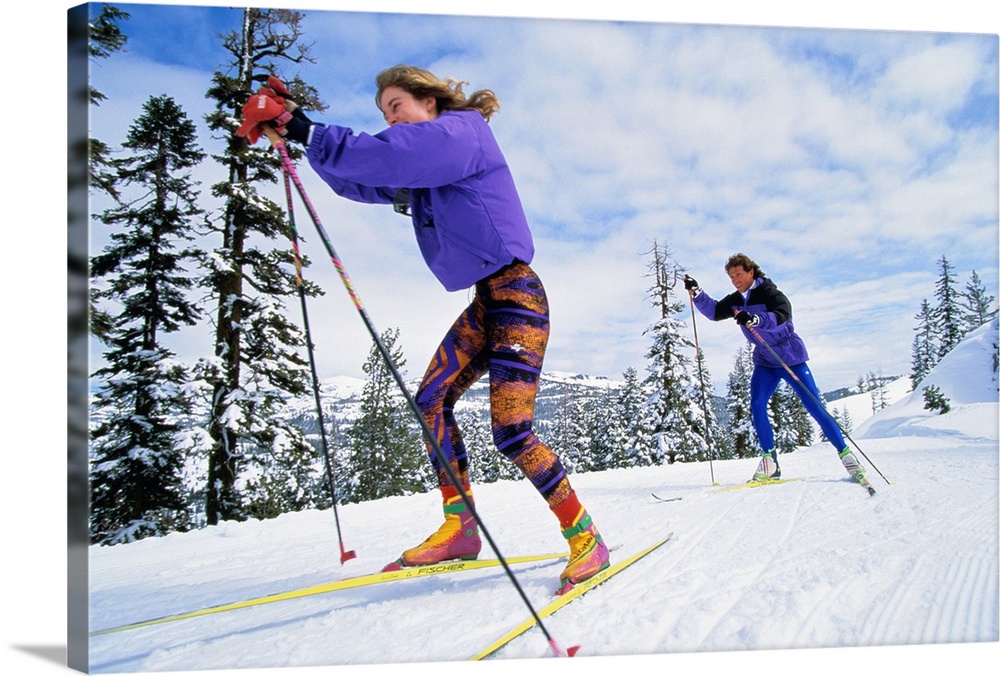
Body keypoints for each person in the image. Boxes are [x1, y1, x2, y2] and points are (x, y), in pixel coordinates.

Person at [237, 65, 610, 588]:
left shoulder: (463, 134)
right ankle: (461, 526)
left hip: (518, 296)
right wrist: (300, 136)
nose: (389, 118)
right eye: (384, 112)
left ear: (429, 102)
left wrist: (302, 127)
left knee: (511, 429)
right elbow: (365, 179)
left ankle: (586, 537)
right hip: (487, 301)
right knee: (431, 401)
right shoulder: (427, 165)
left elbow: (393, 154)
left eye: (395, 106)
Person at [684, 253, 869, 485]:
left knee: (814, 405)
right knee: (758, 404)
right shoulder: (736, 300)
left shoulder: (771, 293)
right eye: (731, 277)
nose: (735, 280)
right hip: (765, 360)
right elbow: (713, 312)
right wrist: (697, 293)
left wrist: (755, 319)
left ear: (751, 272)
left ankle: (847, 457)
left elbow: (782, 316)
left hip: (789, 355)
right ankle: (770, 463)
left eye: (739, 275)